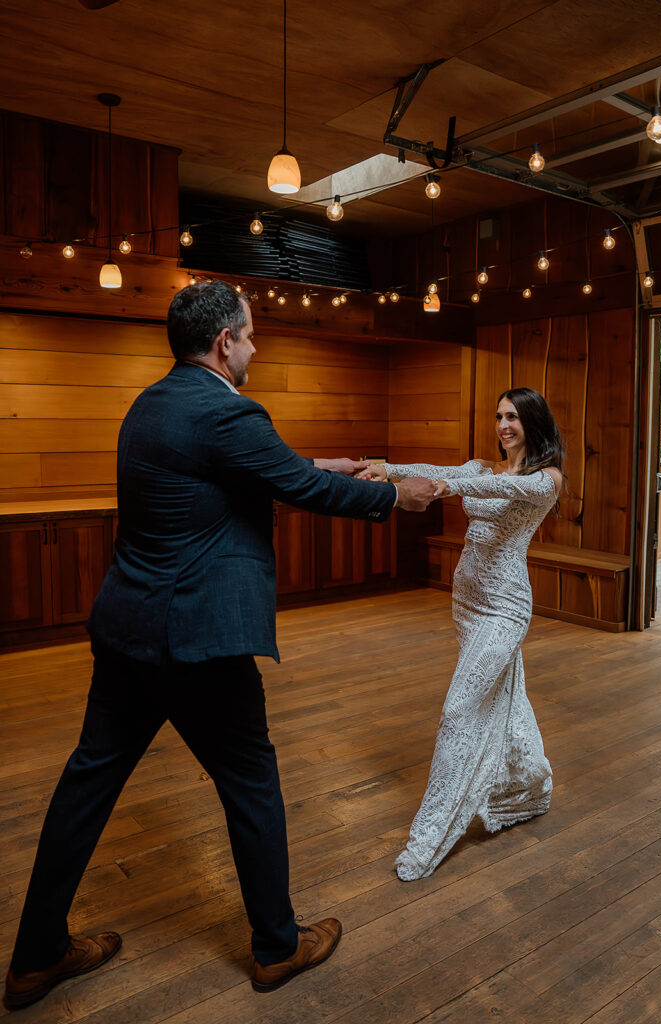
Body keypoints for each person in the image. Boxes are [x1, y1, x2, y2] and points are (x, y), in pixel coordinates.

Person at [3, 282, 436, 1010]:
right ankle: (276, 946)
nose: (255, 347)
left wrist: (319, 466)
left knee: (87, 787)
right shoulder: (227, 410)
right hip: (195, 638)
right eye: (251, 335)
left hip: (127, 629)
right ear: (223, 343)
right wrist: (396, 497)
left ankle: (35, 957)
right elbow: (293, 483)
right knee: (251, 783)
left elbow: (250, 472)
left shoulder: (152, 404)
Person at [358, 387, 564, 880]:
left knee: (460, 708)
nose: (503, 425)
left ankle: (430, 836)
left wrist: (454, 489)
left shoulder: (546, 480)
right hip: (467, 603)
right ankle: (527, 788)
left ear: (532, 421)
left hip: (506, 607)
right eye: (498, 416)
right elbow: (444, 472)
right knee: (505, 696)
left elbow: (503, 491)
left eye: (512, 417)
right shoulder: (482, 467)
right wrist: (385, 470)